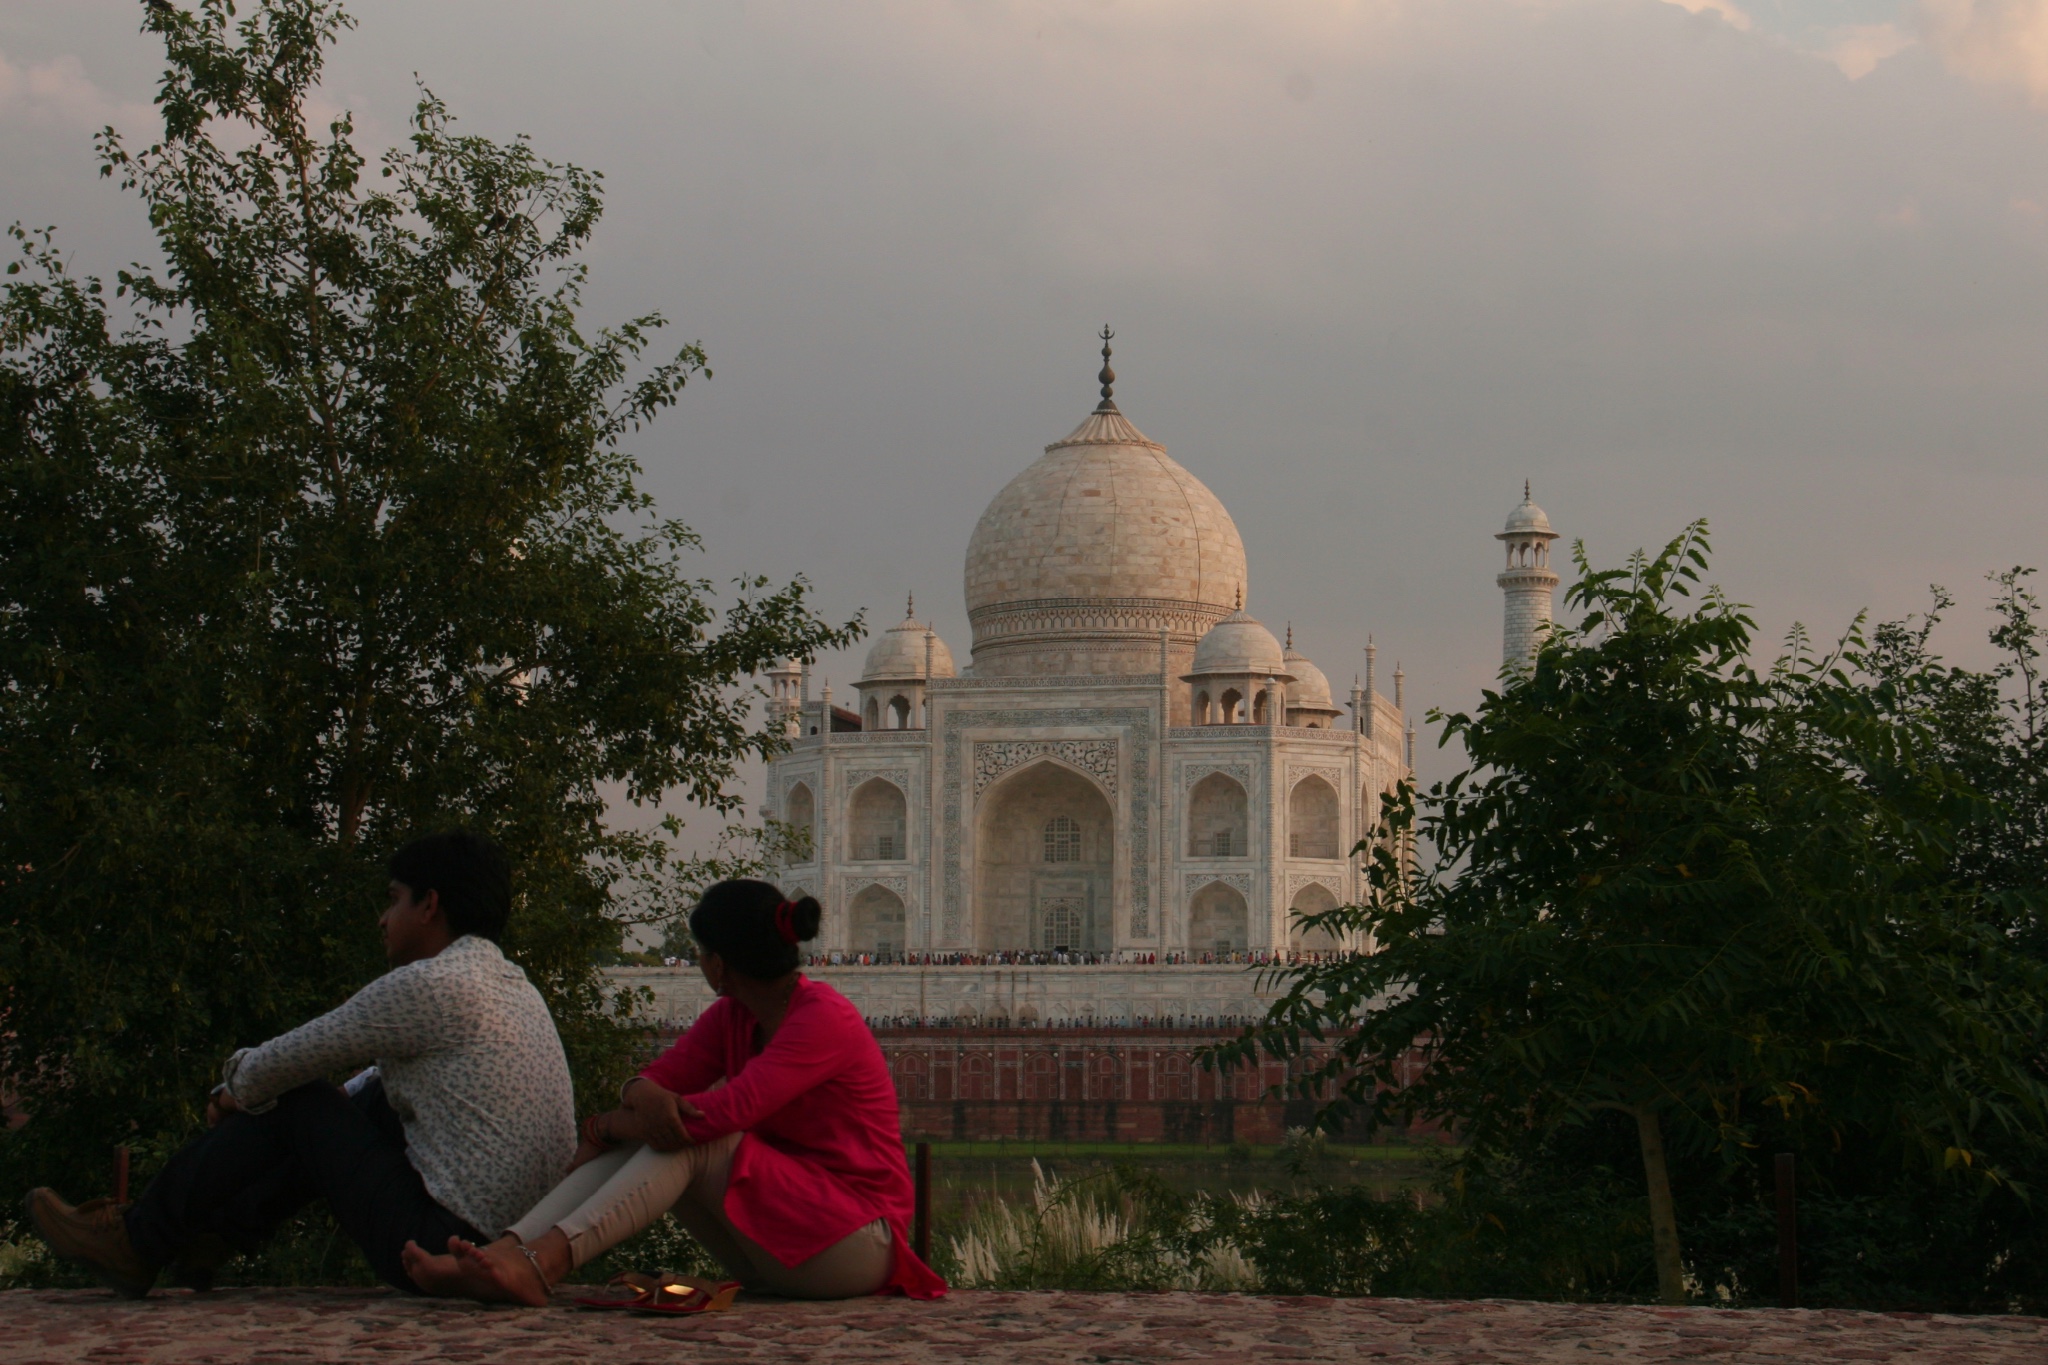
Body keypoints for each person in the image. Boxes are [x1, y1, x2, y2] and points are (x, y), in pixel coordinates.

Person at [25, 831, 577, 1298]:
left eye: (393, 900)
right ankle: (207, 1239)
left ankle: (137, 1240)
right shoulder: (512, 986)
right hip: (510, 1249)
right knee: (355, 1100)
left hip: (445, 1249)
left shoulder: (430, 985)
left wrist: (230, 1092)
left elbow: (280, 1064)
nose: (383, 920)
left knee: (300, 1098)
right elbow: (369, 1087)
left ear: (429, 905)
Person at [402, 878, 947, 1304]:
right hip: (785, 1237)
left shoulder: (823, 1019)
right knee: (664, 1130)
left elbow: (719, 1115)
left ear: (718, 963)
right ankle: (505, 1253)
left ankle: (541, 1262)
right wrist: (636, 1094)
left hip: (859, 1241)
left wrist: (604, 1126)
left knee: (688, 1137)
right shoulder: (736, 1014)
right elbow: (657, 1079)